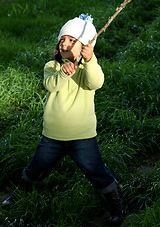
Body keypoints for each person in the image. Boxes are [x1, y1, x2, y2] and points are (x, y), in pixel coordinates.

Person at [2, 14, 125, 225]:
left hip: (82, 136)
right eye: (62, 40)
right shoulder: (52, 66)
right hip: (53, 135)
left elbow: (96, 83)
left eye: (71, 40)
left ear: (85, 46)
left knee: (95, 170)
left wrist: (90, 60)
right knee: (37, 166)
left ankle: (116, 205)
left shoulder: (88, 69)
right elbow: (50, 85)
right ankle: (20, 193)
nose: (64, 44)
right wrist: (63, 73)